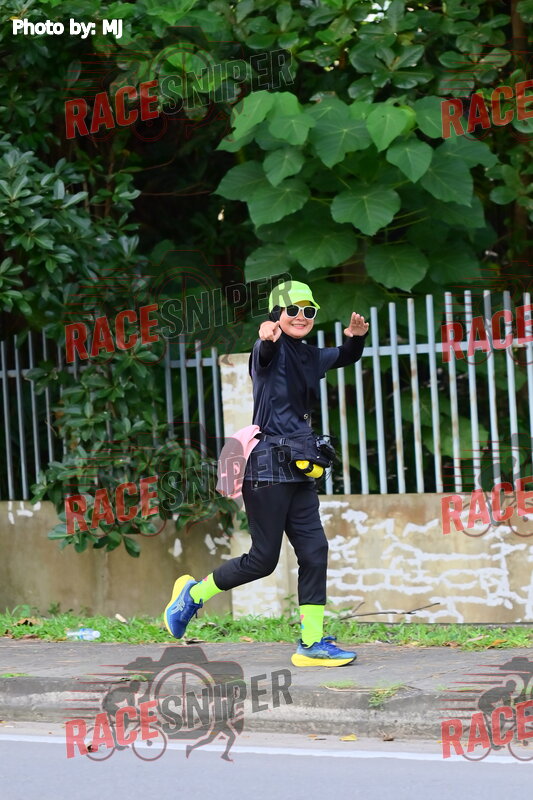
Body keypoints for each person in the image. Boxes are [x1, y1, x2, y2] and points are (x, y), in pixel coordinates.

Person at [164, 279, 369, 666]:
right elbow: (265, 349)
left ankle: (311, 643)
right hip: (266, 468)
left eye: (309, 311)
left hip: (300, 468)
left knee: (315, 551)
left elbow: (345, 355)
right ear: (276, 314)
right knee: (263, 559)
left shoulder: (309, 355)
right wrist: (267, 339)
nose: (301, 317)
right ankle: (192, 596)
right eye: (293, 310)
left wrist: (356, 338)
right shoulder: (267, 352)